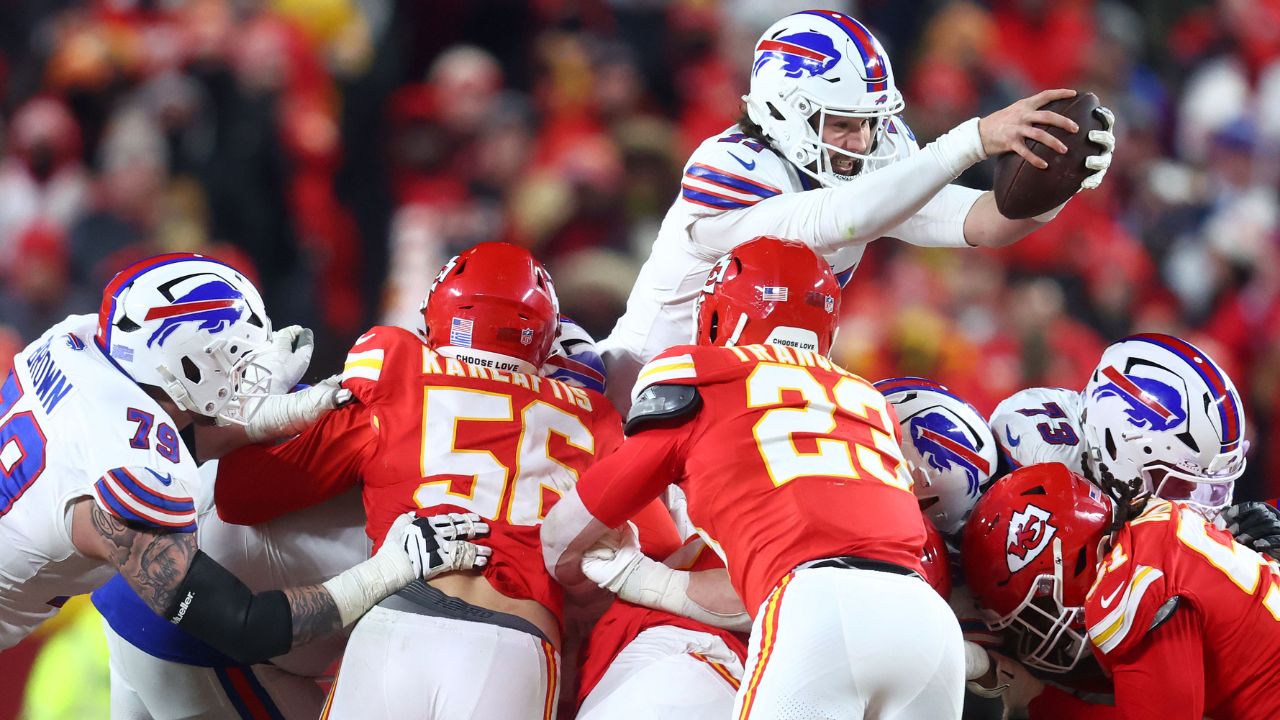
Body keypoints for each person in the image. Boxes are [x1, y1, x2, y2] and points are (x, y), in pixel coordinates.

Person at [597, 8, 1117, 412]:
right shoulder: (728, 164)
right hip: (644, 391)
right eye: (842, 123)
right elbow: (834, 221)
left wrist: (1060, 185)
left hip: (753, 398)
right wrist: (971, 141)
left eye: (870, 121)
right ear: (783, 110)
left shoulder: (863, 161)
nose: (863, 139)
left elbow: (980, 222)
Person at [543, 237, 963, 718]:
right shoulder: (869, 402)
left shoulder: (702, 376)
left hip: (817, 607)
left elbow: (566, 531)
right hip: (928, 622)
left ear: (721, 315)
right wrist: (646, 581)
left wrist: (589, 579)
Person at [0, 253, 487, 665]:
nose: (244, 374)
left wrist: (272, 415)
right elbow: (245, 626)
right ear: (180, 364)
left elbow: (156, 440)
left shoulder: (75, 342)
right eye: (233, 359)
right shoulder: (126, 482)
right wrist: (388, 570)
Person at [210, 242, 625, 719]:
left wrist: (261, 401)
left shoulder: (400, 367)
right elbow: (636, 563)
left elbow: (239, 496)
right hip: (513, 641)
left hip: (399, 615)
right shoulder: (597, 417)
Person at [963, 462, 1280, 719]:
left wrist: (1037, 701)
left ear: (1068, 566)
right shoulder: (1154, 525)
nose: (1030, 635)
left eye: (1039, 612)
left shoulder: (1130, 586)